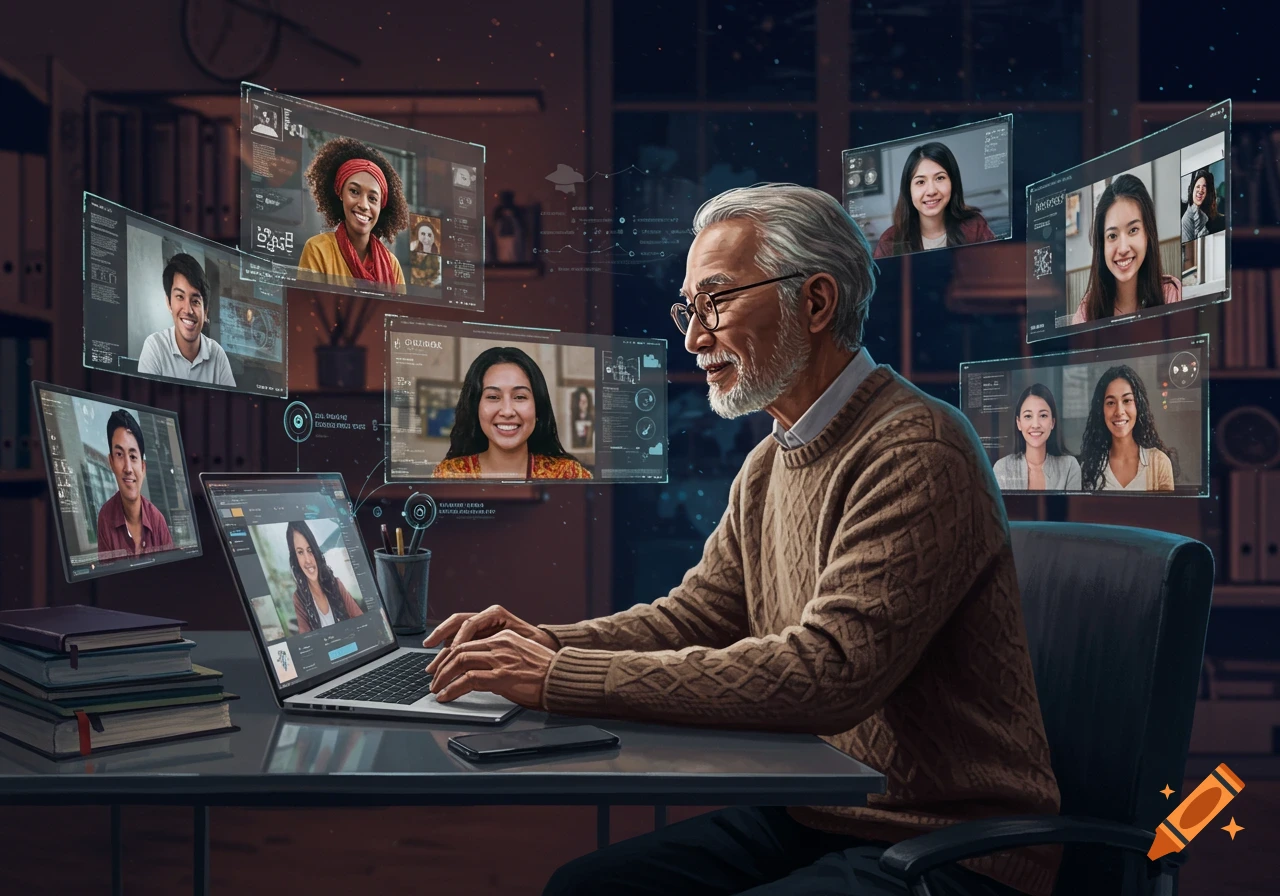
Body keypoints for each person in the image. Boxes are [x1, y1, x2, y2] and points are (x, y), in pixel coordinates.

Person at [423, 184, 1061, 896]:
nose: (694, 337)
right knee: (586, 889)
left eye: (717, 303)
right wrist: (548, 644)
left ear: (815, 304)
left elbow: (829, 673)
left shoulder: (918, 448)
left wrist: (556, 679)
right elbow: (696, 617)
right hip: (824, 812)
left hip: (953, 846)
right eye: (689, 308)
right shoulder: (770, 460)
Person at [432, 347, 593, 480]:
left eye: (520, 397)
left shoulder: (568, 475)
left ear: (538, 407)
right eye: (493, 397)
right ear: (476, 408)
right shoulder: (450, 475)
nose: (507, 411)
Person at [1072, 174, 1182, 324]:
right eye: (1112, 236)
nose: (1123, 248)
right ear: (1101, 245)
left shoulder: (1172, 295)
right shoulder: (1086, 312)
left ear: (1148, 233)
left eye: (1133, 230)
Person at [298, 137, 408, 288]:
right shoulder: (318, 250)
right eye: (354, 191)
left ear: (381, 206)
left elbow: (398, 312)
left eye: (372, 198)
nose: (363, 205)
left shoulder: (393, 265)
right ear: (340, 192)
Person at [872, 142, 997, 258]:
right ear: (908, 190)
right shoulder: (890, 242)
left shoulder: (975, 227)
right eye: (920, 182)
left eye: (940, 178)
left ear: (953, 182)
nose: (931, 191)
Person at [136, 253, 237, 387]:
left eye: (195, 301)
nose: (188, 310)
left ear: (205, 310)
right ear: (168, 303)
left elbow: (231, 406)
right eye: (179, 297)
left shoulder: (217, 354)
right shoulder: (154, 347)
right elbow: (146, 405)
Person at [1078, 365, 1176, 492]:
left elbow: (1168, 511)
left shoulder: (1159, 462)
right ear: (1101, 410)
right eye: (1111, 403)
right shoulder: (1090, 467)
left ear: (1138, 406)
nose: (1119, 411)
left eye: (1127, 400)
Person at [95, 409, 174, 562]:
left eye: (133, 456)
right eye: (119, 455)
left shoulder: (157, 520)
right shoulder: (105, 517)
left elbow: (172, 572)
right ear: (111, 462)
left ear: (143, 468)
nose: (128, 468)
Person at [992, 384, 1081, 491]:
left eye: (1043, 415)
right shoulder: (1002, 468)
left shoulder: (1069, 466)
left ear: (1052, 422)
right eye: (1028, 416)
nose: (1035, 425)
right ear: (1019, 423)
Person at [286, 521, 365, 634]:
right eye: (300, 552)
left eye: (309, 550)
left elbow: (361, 619)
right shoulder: (299, 598)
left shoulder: (336, 584)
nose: (308, 560)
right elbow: (306, 637)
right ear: (295, 558)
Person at [1180, 168, 1226, 240]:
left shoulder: (1220, 221)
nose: (1200, 190)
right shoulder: (1187, 219)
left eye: (1204, 186)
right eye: (1198, 186)